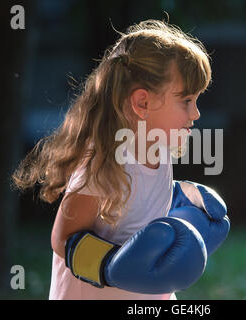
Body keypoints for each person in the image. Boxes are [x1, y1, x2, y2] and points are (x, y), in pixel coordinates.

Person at [11, 19, 225, 300]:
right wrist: (110, 266)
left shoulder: (158, 152)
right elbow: (62, 239)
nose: (195, 113)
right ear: (142, 104)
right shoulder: (103, 163)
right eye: (186, 101)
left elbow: (140, 200)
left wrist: (183, 197)